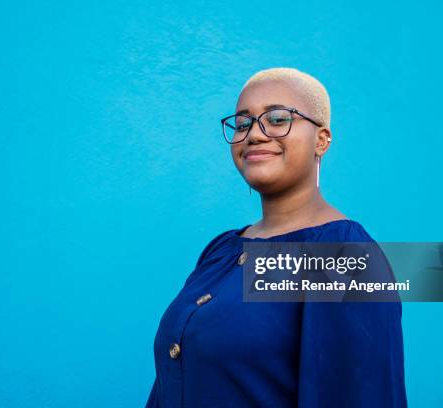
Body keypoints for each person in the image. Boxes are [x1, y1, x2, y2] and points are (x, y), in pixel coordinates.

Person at [145, 67, 407, 407]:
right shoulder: (221, 250)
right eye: (243, 124)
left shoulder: (342, 256)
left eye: (278, 119)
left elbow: (359, 396)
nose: (254, 134)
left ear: (322, 139)